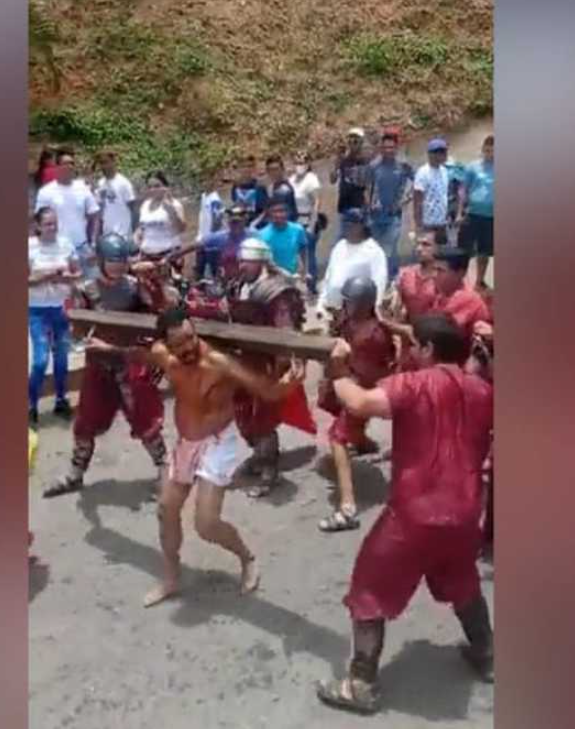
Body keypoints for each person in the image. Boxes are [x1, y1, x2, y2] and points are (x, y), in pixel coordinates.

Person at [315, 315, 495, 715]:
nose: (411, 352)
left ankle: (360, 683)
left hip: (415, 515)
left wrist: (338, 370)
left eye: (415, 345)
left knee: (369, 587)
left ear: (430, 349)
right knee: (462, 579)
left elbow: (359, 403)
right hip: (466, 512)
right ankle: (487, 655)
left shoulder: (414, 384)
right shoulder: (484, 391)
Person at [84, 308, 305, 607]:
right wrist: (109, 349)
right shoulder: (164, 355)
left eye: (191, 338)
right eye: (179, 344)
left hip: (218, 442)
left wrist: (290, 381)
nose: (188, 348)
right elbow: (141, 355)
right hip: (188, 442)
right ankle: (171, 579)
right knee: (166, 509)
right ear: (167, 345)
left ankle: (247, 557)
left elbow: (266, 391)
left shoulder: (218, 362)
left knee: (206, 524)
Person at [41, 233, 176, 500]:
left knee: (145, 419)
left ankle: (165, 469)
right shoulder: (86, 289)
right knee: (86, 421)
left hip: (129, 362)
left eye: (122, 260)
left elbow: (159, 311)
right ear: (101, 260)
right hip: (99, 364)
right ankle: (75, 473)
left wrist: (154, 281)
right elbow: (77, 327)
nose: (117, 265)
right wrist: (85, 338)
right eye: (112, 260)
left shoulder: (134, 285)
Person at [227, 238, 310, 497]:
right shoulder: (238, 285)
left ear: (261, 260)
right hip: (242, 357)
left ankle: (268, 469)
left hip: (267, 360)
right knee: (242, 413)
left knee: (263, 417)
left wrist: (282, 364)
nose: (242, 264)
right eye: (240, 259)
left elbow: (285, 331)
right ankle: (258, 454)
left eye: (247, 260)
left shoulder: (277, 291)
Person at [316, 276, 396, 533]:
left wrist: (344, 381)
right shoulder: (349, 321)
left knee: (337, 437)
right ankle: (364, 444)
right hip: (348, 382)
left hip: (363, 390)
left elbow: (371, 374)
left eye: (350, 301)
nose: (346, 304)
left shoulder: (375, 334)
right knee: (347, 428)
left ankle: (348, 507)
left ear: (363, 304)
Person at [28, 207, 81, 425]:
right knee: (40, 360)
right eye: (48, 224)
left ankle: (61, 400)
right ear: (38, 226)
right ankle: (31, 405)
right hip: (36, 310)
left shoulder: (66, 244)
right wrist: (48, 275)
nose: (52, 227)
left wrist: (67, 279)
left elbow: (78, 274)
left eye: (55, 223)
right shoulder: (30, 247)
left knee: (61, 358)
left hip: (60, 308)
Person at [35, 148, 101, 280]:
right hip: (58, 250)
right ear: (57, 166)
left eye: (72, 163)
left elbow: (94, 216)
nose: (70, 166)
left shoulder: (82, 188)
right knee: (65, 292)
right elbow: (39, 220)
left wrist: (92, 243)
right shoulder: (46, 192)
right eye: (66, 163)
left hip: (82, 248)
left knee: (91, 288)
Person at [317, 208, 388, 318]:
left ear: (362, 226)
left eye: (351, 225)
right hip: (331, 311)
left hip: (355, 314)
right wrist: (320, 303)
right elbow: (329, 277)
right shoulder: (339, 246)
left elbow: (379, 281)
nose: (347, 228)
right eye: (345, 224)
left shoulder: (374, 251)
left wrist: (376, 307)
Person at [366, 133, 413, 279]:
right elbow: (367, 187)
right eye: (385, 147)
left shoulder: (403, 166)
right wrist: (370, 203)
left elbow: (418, 183)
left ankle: (391, 280)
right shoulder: (373, 166)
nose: (388, 150)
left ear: (396, 148)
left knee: (389, 250)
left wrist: (405, 200)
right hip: (375, 216)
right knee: (376, 250)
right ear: (381, 148)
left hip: (394, 216)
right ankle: (381, 279)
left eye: (391, 147)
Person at [455, 135, 495, 289]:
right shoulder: (473, 167)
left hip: (491, 217)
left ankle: (479, 281)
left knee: (484, 252)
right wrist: (459, 212)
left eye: (492, 150)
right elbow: (463, 190)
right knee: (464, 250)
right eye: (487, 150)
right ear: (483, 149)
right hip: (472, 214)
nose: (489, 153)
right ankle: (459, 281)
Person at [411, 138, 461, 244]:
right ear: (430, 154)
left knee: (441, 255)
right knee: (427, 254)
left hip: (442, 223)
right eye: (439, 152)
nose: (443, 154)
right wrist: (418, 225)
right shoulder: (422, 172)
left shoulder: (444, 171)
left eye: (444, 151)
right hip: (427, 224)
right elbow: (417, 201)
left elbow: (444, 196)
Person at [384, 231, 439, 323]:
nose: (419, 248)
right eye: (418, 244)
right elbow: (395, 307)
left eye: (426, 245)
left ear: (439, 248)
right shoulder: (406, 274)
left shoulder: (444, 279)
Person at [290, 152, 323, 295]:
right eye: (297, 162)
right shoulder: (291, 180)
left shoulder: (311, 179)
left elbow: (316, 202)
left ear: (308, 164)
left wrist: (312, 224)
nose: (299, 165)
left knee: (309, 255)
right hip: (294, 223)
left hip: (308, 221)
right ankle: (297, 286)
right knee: (296, 256)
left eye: (302, 162)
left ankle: (311, 285)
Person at [135, 170, 186, 261]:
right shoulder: (145, 205)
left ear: (166, 187)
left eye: (157, 186)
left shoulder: (174, 204)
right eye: (150, 187)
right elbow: (142, 228)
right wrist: (137, 242)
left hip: (168, 254)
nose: (153, 190)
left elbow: (181, 229)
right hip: (146, 254)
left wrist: (171, 210)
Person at [330, 128, 371, 239]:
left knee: (359, 239)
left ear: (361, 142)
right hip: (344, 205)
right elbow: (332, 180)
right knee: (342, 241)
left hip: (359, 206)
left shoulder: (365, 160)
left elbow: (365, 183)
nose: (352, 144)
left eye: (355, 141)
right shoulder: (343, 160)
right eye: (350, 141)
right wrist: (336, 164)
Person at [257, 196, 308, 278]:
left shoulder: (298, 230)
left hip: (293, 275)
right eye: (275, 211)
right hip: (270, 277)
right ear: (269, 213)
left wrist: (305, 272)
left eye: (282, 211)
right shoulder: (261, 235)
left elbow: (303, 250)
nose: (279, 215)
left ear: (288, 212)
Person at [93, 149, 138, 239]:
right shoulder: (100, 183)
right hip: (107, 235)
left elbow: (134, 210)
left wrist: (135, 233)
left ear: (114, 162)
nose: (103, 166)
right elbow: (99, 211)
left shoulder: (123, 183)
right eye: (101, 163)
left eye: (106, 162)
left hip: (123, 236)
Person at [193, 172, 228, 280]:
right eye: (202, 180)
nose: (204, 183)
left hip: (211, 240)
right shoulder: (204, 196)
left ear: (213, 181)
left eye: (207, 180)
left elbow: (217, 222)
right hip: (201, 236)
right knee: (199, 269)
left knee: (213, 270)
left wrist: (209, 239)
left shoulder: (215, 200)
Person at [231, 156, 269, 226]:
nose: (246, 169)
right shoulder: (235, 187)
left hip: (257, 227)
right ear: (239, 168)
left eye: (249, 166)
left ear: (254, 168)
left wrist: (254, 224)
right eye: (243, 166)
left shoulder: (260, 187)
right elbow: (235, 206)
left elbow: (265, 211)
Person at [264, 154, 299, 222]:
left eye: (276, 169)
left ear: (282, 170)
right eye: (270, 170)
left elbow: (291, 215)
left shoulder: (285, 190)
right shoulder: (269, 187)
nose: (273, 172)